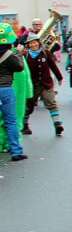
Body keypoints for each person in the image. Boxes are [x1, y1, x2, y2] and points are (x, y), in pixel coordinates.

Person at [23, 33, 64, 136]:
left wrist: (59, 77)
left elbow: (53, 66)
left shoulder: (45, 53)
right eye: (31, 43)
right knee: (29, 106)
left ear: (39, 43)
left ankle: (57, 124)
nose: (33, 45)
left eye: (35, 42)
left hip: (46, 83)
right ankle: (24, 124)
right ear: (28, 45)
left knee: (51, 102)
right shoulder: (25, 55)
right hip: (32, 85)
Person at [0, 24, 27, 161]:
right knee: (10, 121)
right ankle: (16, 151)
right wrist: (19, 54)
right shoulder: (10, 55)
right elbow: (19, 68)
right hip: (5, 89)